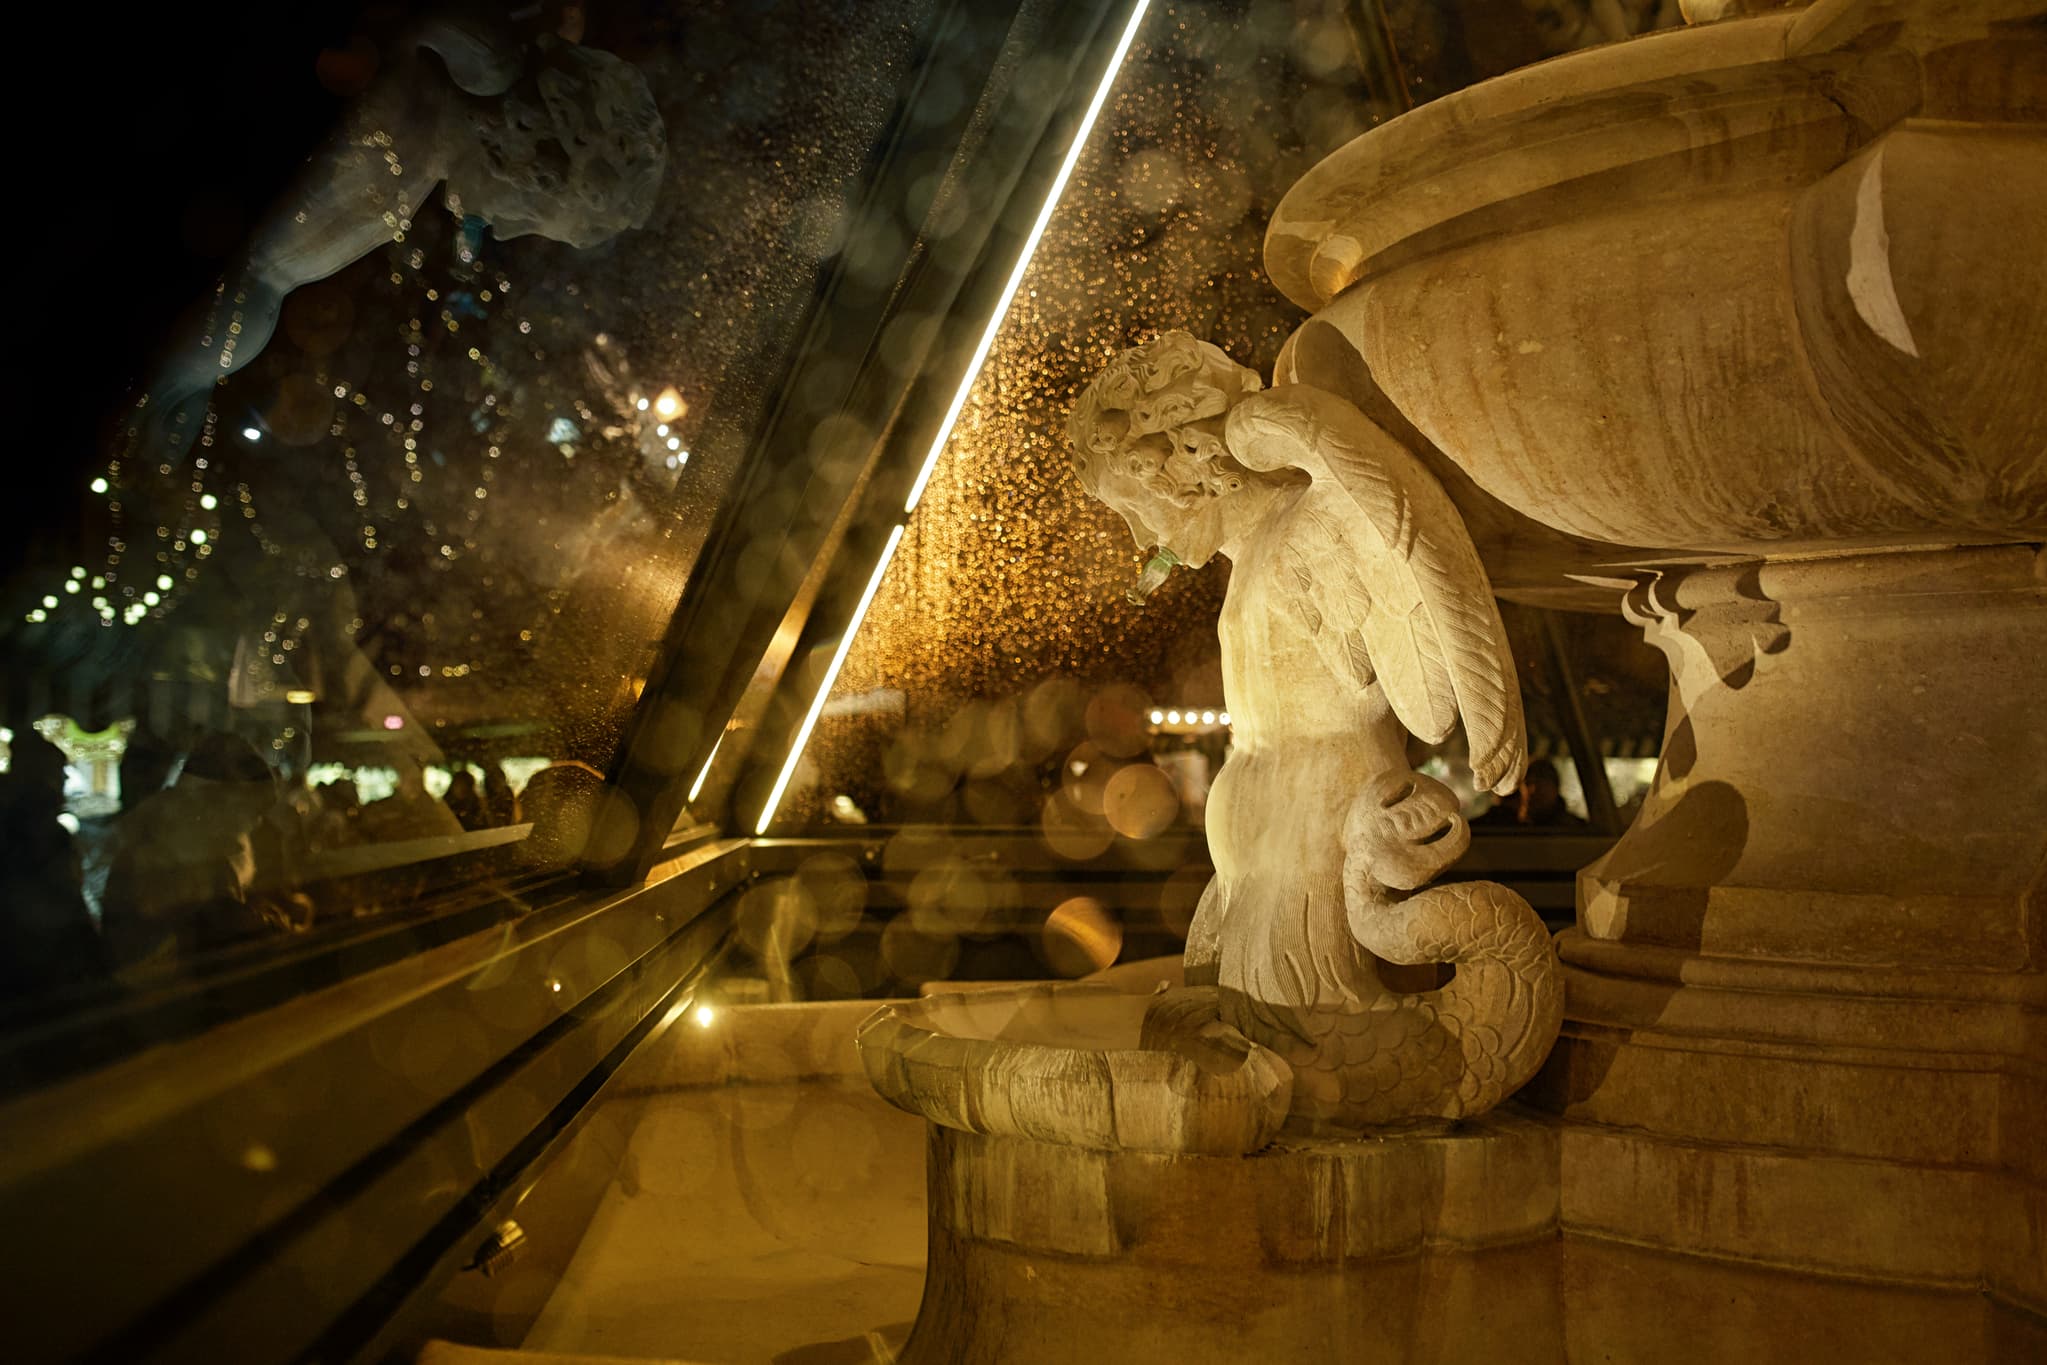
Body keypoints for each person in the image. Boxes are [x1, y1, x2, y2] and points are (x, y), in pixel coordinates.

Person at [0, 731, 105, 995]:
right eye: (59, 771)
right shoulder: (43, 832)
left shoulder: (27, 822)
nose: (66, 778)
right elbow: (67, 902)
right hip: (39, 964)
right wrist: (98, 958)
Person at [1475, 758, 1588, 829]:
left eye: (1540, 783)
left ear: (1554, 788)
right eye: (1528, 783)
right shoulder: (1505, 822)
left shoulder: (1571, 829)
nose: (1532, 790)